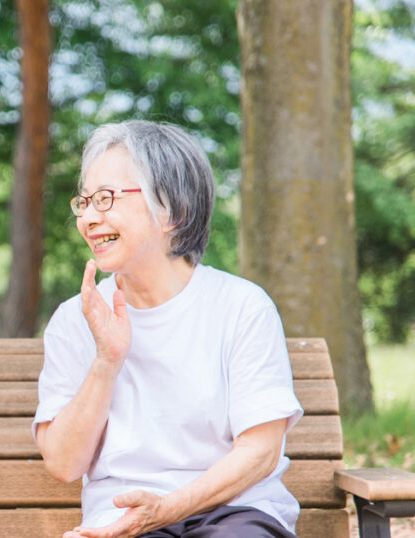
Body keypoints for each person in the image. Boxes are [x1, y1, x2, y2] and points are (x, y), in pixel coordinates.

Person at [34, 120, 303, 538]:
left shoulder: (242, 307)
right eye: (84, 201)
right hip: (121, 521)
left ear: (173, 211)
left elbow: (260, 452)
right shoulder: (76, 319)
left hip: (236, 513)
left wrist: (165, 509)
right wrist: (106, 361)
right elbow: (64, 464)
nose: (88, 217)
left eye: (105, 199)